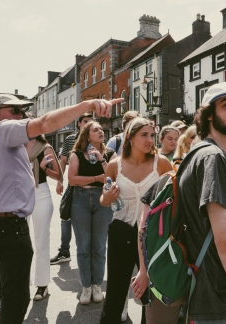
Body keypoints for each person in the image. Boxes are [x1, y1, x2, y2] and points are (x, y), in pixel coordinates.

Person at [0, 94, 121, 324]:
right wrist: (86, 106)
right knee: (15, 299)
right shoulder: (3, 129)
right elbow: (44, 123)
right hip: (8, 228)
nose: (21, 116)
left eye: (22, 112)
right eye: (15, 111)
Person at [134, 81, 226, 323]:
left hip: (202, 297)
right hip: (221, 302)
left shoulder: (196, 155)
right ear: (209, 115)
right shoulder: (213, 159)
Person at [99, 117, 172, 323]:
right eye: (144, 135)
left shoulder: (162, 163)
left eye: (152, 135)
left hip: (153, 237)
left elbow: (173, 199)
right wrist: (108, 197)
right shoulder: (115, 166)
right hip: (121, 233)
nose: (150, 140)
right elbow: (103, 199)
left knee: (151, 295)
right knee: (115, 293)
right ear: (130, 137)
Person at [68, 121, 117, 305]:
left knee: (99, 246)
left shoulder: (109, 154)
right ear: (87, 136)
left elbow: (113, 177)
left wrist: (102, 159)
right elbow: (73, 180)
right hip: (80, 199)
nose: (100, 131)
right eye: (95, 130)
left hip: (102, 199)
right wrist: (97, 178)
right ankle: (85, 286)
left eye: (101, 129)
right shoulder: (77, 154)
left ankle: (97, 285)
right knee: (83, 246)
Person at [50, 113, 93, 265]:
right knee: (65, 217)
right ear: (79, 123)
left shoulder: (95, 139)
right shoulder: (70, 140)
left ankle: (90, 253)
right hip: (73, 186)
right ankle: (64, 251)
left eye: (91, 121)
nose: (89, 124)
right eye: (86, 121)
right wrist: (59, 181)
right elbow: (62, 161)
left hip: (91, 188)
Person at [25, 134, 61, 301]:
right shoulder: (16, 145)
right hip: (19, 194)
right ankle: (20, 283)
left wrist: (44, 168)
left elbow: (59, 176)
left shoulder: (45, 147)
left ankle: (42, 284)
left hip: (41, 193)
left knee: (41, 242)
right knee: (20, 243)